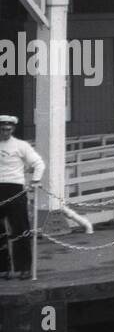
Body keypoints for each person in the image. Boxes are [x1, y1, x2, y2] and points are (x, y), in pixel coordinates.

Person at [0, 115, 44, 279]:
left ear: (13, 129)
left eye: (8, 129)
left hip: (15, 189)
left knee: (20, 229)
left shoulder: (20, 145)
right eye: (3, 129)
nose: (5, 132)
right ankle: (3, 268)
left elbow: (38, 163)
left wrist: (35, 180)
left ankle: (24, 268)